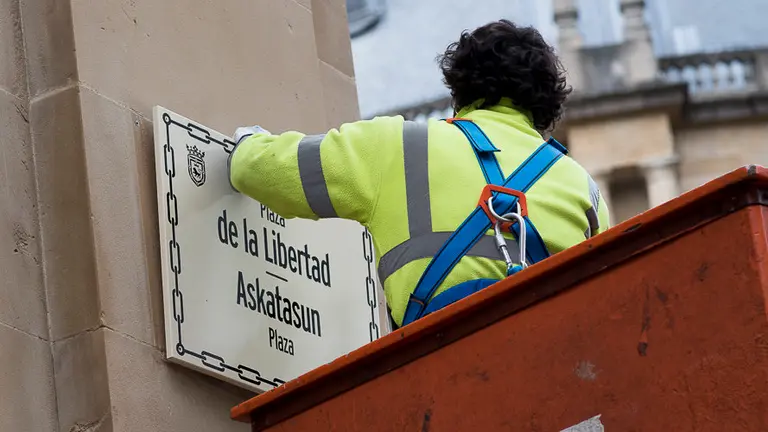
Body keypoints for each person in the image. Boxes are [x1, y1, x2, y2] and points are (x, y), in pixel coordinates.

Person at [228, 19, 610, 329]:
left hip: (439, 364)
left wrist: (249, 142)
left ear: (458, 88)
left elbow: (254, 169)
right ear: (547, 104)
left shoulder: (399, 145)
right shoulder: (584, 187)